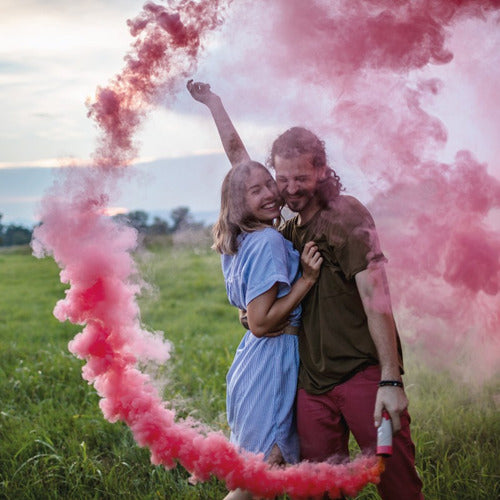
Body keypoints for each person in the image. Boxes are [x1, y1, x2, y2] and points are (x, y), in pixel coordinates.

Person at [187, 80, 424, 500]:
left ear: (321, 170)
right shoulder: (285, 227)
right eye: (282, 179)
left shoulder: (345, 214)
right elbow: (243, 167)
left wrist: (390, 379)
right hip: (309, 387)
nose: (290, 188)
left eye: (302, 177)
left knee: (396, 484)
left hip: (360, 374)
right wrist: (215, 105)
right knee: (315, 491)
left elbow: (376, 298)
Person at [212, 160, 322, 500]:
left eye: (268, 184)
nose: (269, 194)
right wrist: (306, 280)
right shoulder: (268, 240)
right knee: (262, 476)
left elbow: (250, 314)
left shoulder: (241, 240)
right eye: (254, 190)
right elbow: (260, 322)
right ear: (239, 202)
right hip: (271, 363)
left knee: (259, 479)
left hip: (253, 362)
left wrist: (214, 103)